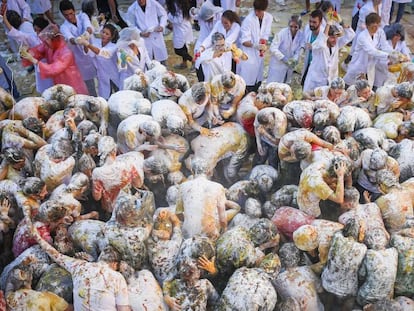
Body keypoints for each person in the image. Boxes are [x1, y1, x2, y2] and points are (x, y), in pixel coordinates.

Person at [30, 223, 131, 311]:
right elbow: (123, 309)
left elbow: (55, 255)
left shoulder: (79, 266)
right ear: (114, 264)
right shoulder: (117, 277)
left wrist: (37, 236)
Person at [20, 24, 88, 95]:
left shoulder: (66, 52)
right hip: (59, 83)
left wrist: (35, 61)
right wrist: (26, 53)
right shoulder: (49, 46)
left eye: (47, 40)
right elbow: (38, 51)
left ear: (54, 39)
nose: (45, 42)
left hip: (71, 82)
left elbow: (54, 69)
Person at [3, 11, 53, 94]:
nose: (37, 33)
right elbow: (17, 34)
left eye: (39, 30)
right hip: (41, 67)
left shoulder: (52, 36)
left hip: (53, 66)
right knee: (47, 91)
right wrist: (4, 19)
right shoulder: (33, 38)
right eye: (35, 30)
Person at [59, 0, 97, 96]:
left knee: (105, 78)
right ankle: (95, 101)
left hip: (94, 51)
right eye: (66, 15)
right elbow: (69, 38)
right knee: (90, 84)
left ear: (74, 10)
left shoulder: (83, 16)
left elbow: (88, 26)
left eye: (71, 13)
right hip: (82, 59)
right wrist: (76, 41)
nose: (69, 17)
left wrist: (87, 34)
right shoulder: (64, 27)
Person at [303, 21, 355, 92]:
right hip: (315, 83)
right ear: (327, 37)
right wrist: (327, 25)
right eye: (332, 37)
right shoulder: (318, 46)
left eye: (336, 37)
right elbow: (322, 41)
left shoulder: (337, 44)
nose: (335, 40)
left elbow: (351, 35)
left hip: (330, 82)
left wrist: (342, 23)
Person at [343, 12, 392, 88]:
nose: (375, 29)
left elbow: (384, 45)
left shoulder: (378, 33)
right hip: (358, 66)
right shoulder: (362, 36)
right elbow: (371, 51)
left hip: (369, 68)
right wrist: (388, 55)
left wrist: (394, 53)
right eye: (373, 27)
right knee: (350, 88)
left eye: (377, 26)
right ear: (367, 25)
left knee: (365, 91)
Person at [238, 0, 272, 92]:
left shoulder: (268, 18)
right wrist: (255, 46)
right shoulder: (248, 20)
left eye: (259, 10)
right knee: (246, 82)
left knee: (258, 80)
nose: (256, 12)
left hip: (259, 55)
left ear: (264, 9)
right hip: (248, 54)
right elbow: (244, 41)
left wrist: (263, 45)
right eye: (255, 10)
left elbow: (265, 34)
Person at [79, 23, 120, 99]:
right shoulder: (96, 43)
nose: (104, 35)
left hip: (114, 74)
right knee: (106, 97)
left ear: (111, 37)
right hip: (102, 75)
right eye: (103, 32)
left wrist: (87, 44)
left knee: (119, 94)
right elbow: (89, 53)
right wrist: (85, 43)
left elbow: (102, 52)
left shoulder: (114, 46)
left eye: (107, 34)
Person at [127, 0, 168, 64]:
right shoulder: (132, 9)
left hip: (156, 35)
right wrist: (140, 33)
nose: (141, 1)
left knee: (162, 62)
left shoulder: (153, 3)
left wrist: (162, 25)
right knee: (148, 62)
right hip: (144, 38)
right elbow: (131, 25)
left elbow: (163, 14)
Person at [268, 15, 304, 84]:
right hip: (277, 65)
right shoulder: (282, 33)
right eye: (291, 26)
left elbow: (299, 49)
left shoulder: (301, 35)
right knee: (273, 86)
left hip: (289, 67)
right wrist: (283, 58)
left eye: (296, 27)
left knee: (285, 88)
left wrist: (295, 59)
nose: (293, 29)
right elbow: (273, 47)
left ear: (299, 27)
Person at [166, 0, 194, 70]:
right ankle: (184, 64)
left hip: (182, 29)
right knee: (183, 47)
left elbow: (179, 20)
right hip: (182, 28)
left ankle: (193, 60)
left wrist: (168, 16)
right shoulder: (179, 2)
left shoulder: (178, 3)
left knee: (178, 50)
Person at [301, 9, 323, 89]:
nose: (311, 24)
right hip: (308, 63)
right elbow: (303, 42)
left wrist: (313, 46)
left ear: (320, 23)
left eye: (314, 22)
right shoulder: (307, 29)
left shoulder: (324, 34)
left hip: (318, 67)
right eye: (310, 21)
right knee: (304, 84)